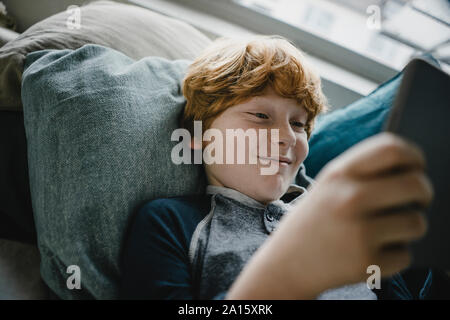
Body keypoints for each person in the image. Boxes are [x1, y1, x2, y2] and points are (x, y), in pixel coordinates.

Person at [120, 35, 445, 299]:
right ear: (198, 134)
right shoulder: (170, 222)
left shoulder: (336, 209)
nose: (288, 137)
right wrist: (290, 272)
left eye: (300, 124)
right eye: (261, 116)